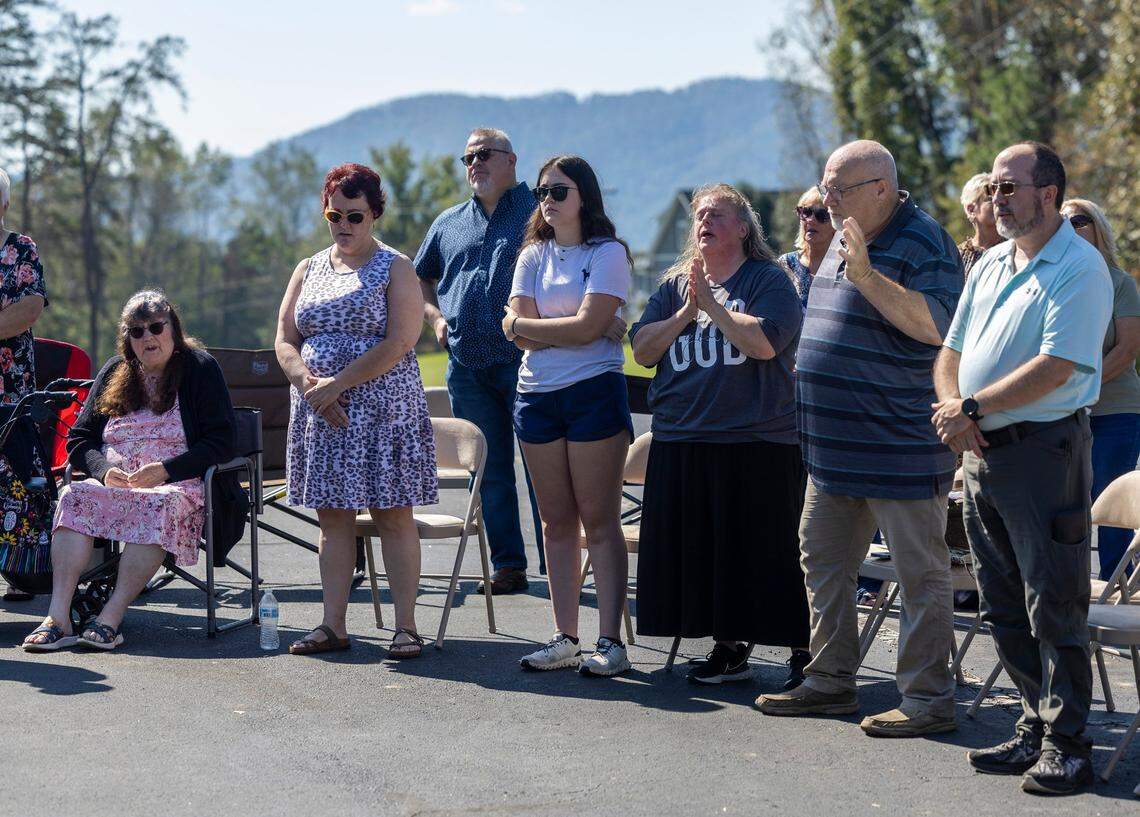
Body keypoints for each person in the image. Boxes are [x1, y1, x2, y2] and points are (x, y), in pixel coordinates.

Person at [757, 140, 963, 738]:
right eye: (823, 187)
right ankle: (829, 682)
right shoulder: (848, 233)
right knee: (822, 561)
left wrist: (868, 275)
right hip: (833, 450)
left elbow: (938, 325)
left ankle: (927, 699)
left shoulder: (926, 241)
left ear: (880, 187)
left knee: (919, 575)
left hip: (898, 446)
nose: (826, 200)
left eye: (836, 190)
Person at [932, 143, 1112, 795]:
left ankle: (1069, 743)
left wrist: (972, 405)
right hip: (983, 452)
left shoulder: (1079, 267)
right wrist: (955, 406)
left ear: (1050, 194)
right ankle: (1035, 723)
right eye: (995, 188)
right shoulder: (989, 266)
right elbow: (951, 347)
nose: (998, 199)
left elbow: (1058, 365)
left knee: (1052, 599)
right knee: (1003, 600)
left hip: (1043, 451)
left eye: (1011, 188)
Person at [631, 183, 811, 688]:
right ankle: (729, 648)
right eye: (699, 214)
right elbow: (644, 349)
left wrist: (712, 306)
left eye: (717, 213)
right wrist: (688, 311)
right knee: (711, 555)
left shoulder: (769, 280)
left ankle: (804, 651)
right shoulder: (674, 285)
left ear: (743, 227)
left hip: (756, 440)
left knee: (771, 553)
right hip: (685, 437)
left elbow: (764, 344)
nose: (704, 221)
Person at [276, 163, 437, 659]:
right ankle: (333, 625)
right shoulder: (308, 268)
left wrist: (338, 384)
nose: (343, 225)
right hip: (321, 412)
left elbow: (401, 341)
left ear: (374, 215)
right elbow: (285, 337)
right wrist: (308, 383)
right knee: (333, 520)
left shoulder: (396, 267)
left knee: (392, 516)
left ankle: (406, 626)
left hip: (382, 412)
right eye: (334, 214)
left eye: (354, 216)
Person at [22, 290, 237, 651]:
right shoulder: (115, 371)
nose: (148, 337)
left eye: (156, 327)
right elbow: (80, 439)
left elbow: (222, 441)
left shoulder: (199, 368)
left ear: (173, 329)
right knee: (74, 495)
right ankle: (58, 617)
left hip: (176, 485)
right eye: (137, 331)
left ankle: (110, 618)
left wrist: (166, 470)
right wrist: (103, 470)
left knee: (158, 504)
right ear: (128, 338)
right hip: (116, 482)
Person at [501, 155, 633, 677]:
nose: (548, 202)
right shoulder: (532, 255)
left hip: (593, 394)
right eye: (542, 193)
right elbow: (520, 328)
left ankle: (611, 643)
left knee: (599, 521)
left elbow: (574, 327)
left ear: (584, 196)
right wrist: (580, 325)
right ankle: (566, 637)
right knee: (556, 522)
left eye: (559, 191)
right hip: (535, 397)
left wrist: (551, 327)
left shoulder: (608, 253)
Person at [415, 127, 542, 595]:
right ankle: (510, 565)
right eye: (467, 158)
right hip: (466, 363)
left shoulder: (539, 213)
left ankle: (560, 562)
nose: (474, 164)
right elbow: (419, 279)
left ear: (511, 160)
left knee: (542, 466)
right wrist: (434, 318)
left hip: (528, 358)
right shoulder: (448, 222)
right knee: (488, 468)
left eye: (485, 154)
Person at [1060, 198, 1140, 580]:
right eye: (1062, 221)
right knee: (1063, 509)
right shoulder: (1056, 284)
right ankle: (1067, 602)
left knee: (1113, 516)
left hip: (1115, 414)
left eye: (1079, 220)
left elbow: (1126, 350)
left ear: (1098, 229)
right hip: (1062, 414)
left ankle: (1119, 602)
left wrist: (1082, 389)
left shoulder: (1121, 283)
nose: (1070, 226)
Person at [0, 166, 49, 603]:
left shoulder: (21, 249)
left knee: (16, 476)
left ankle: (22, 570)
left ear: (4, 204)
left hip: (10, 390)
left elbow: (30, 307)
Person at [779, 186, 836, 310]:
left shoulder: (846, 267)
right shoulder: (785, 264)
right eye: (806, 212)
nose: (810, 220)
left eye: (822, 215)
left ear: (836, 223)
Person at [958, 172, 1001, 278]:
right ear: (971, 209)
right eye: (990, 199)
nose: (999, 203)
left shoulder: (1016, 249)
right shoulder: (956, 257)